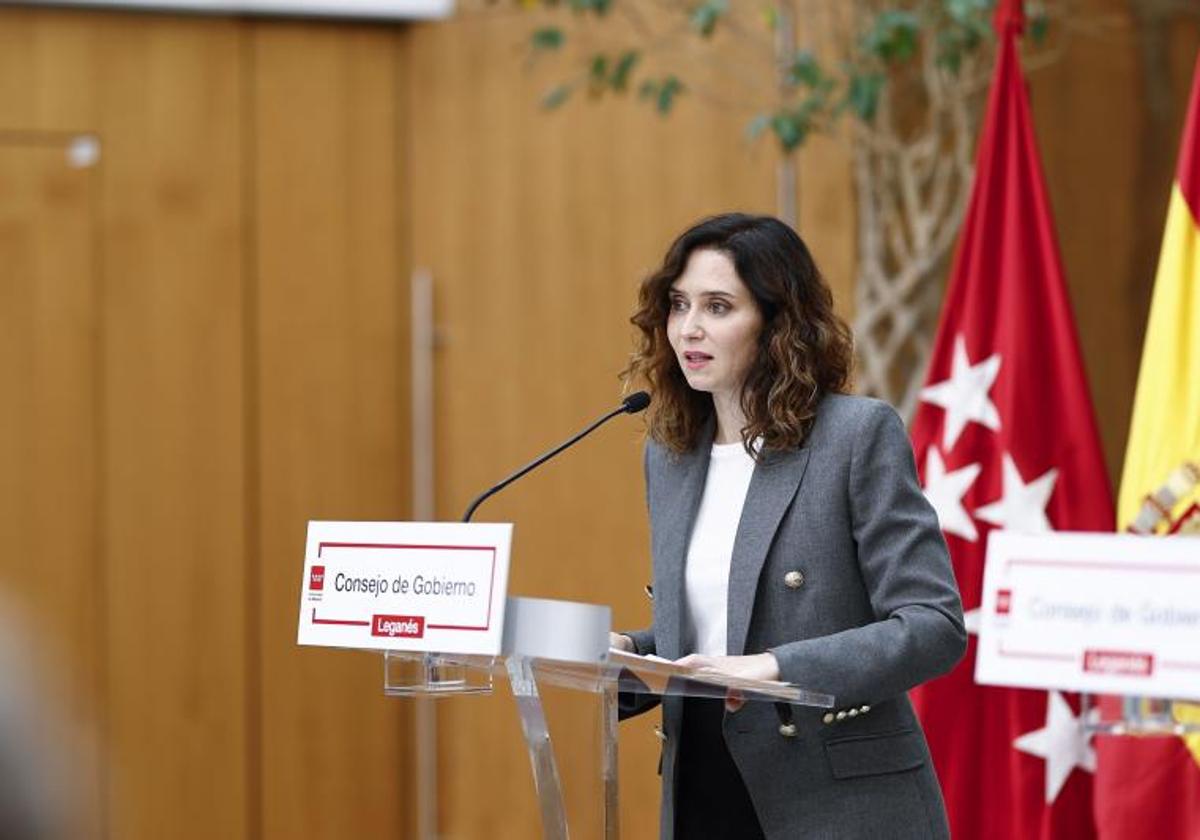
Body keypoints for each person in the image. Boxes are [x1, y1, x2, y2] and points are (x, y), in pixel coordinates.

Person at [611, 213, 967, 840]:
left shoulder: (855, 437)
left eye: (718, 307)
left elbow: (933, 626)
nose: (689, 329)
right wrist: (629, 656)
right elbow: (717, 628)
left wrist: (775, 667)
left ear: (778, 324)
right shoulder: (670, 455)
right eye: (678, 305)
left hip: (833, 798)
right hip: (703, 784)